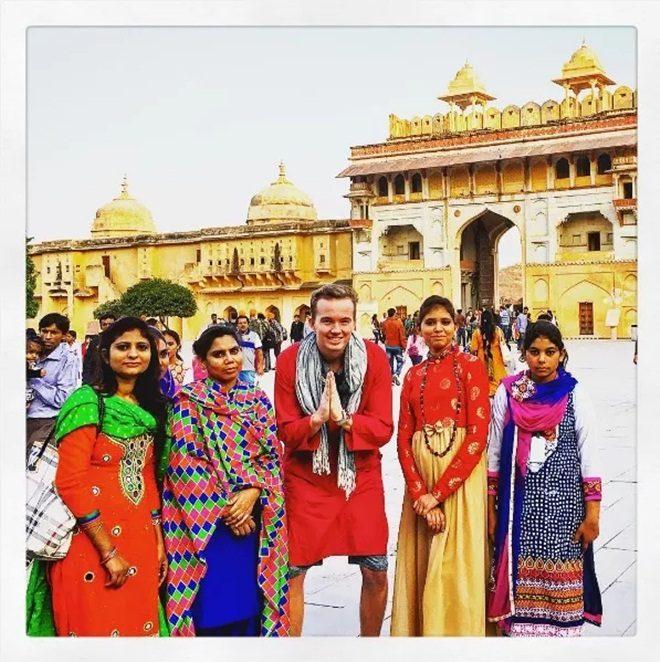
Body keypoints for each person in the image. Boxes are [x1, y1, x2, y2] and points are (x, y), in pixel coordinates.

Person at [274, 284, 393, 637]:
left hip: (358, 477)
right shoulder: (290, 361)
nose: (336, 329)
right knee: (293, 572)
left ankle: (368, 648)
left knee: (376, 570)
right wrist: (315, 420)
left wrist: (346, 420)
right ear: (311, 322)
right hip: (306, 477)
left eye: (344, 320)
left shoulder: (374, 358)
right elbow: (285, 430)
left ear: (355, 322)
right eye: (327, 321)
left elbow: (383, 427)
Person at [161, 325, 288, 636]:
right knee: (211, 606)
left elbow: (272, 455)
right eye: (218, 354)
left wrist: (253, 491)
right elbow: (185, 463)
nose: (229, 359)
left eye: (234, 351)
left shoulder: (257, 399)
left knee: (251, 603)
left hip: (255, 518)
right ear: (202, 362)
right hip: (206, 523)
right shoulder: (188, 401)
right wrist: (230, 509)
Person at [48, 316, 169, 636]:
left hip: (139, 536)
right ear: (105, 354)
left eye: (142, 347)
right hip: (91, 541)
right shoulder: (87, 402)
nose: (133, 354)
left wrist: (157, 542)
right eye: (123, 347)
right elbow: (70, 482)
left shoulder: (150, 408)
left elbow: (147, 478)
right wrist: (108, 552)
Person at [487, 321, 602, 636]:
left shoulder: (574, 393)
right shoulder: (508, 392)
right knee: (520, 585)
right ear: (523, 353)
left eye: (550, 352)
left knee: (564, 593)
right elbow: (494, 452)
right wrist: (491, 509)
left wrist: (593, 515)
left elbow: (589, 454)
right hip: (520, 509)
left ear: (561, 354)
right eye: (534, 352)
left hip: (566, 511)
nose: (541, 359)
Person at [391, 296, 490, 636]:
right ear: (419, 328)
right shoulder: (412, 375)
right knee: (422, 564)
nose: (438, 329)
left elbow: (477, 436)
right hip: (421, 486)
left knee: (456, 565)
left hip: (460, 483)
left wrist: (438, 495)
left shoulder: (472, 366)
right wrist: (420, 493)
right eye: (430, 322)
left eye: (445, 322)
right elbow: (403, 440)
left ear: (455, 325)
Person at [26, 313, 79, 461]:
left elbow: (63, 399)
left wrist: (32, 377)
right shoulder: (31, 351)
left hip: (45, 422)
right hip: (22, 417)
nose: (47, 337)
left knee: (34, 466)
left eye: (54, 332)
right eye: (44, 331)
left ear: (64, 335)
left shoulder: (68, 359)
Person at [470, 309, 508, 397]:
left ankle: (486, 390)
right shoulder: (498, 330)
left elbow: (473, 349)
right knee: (497, 375)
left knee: (483, 377)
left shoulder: (477, 332)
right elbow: (502, 344)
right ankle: (496, 390)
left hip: (482, 360)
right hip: (496, 359)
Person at [82, 314, 117, 385]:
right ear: (101, 326)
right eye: (104, 324)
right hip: (98, 381)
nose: (107, 326)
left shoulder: (121, 340)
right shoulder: (95, 342)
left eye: (110, 324)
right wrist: (86, 381)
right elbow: (88, 363)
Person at [147, 327, 175, 398]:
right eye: (152, 356)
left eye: (163, 354)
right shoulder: (125, 398)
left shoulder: (168, 383)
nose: (159, 362)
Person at [236, 314, 264, 386]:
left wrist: (260, 366)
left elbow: (259, 352)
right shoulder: (233, 336)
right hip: (235, 370)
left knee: (248, 390)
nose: (243, 325)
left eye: (244, 323)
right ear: (237, 325)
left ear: (248, 324)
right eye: (240, 323)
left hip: (249, 369)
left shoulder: (254, 335)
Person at [381, 308, 406, 385]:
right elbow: (402, 335)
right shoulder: (398, 323)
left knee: (390, 362)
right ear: (394, 314)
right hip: (397, 346)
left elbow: (383, 333)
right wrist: (404, 346)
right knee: (400, 361)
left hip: (388, 345)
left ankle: (391, 377)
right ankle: (396, 374)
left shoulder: (385, 323)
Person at [26, 335, 45, 409]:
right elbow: (26, 373)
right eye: (31, 352)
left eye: (37, 353)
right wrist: (38, 373)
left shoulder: (32, 362)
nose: (34, 356)